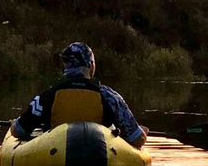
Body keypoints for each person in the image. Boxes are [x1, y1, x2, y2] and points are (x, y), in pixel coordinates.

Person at [10, 42, 147, 148]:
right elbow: (137, 138)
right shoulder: (109, 96)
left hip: (55, 153)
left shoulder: (47, 96)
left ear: (66, 66)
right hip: (99, 155)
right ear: (91, 65)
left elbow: (19, 131)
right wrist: (143, 132)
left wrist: (14, 124)